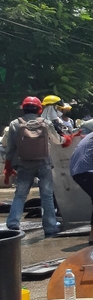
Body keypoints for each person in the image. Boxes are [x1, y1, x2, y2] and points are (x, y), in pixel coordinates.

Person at [3, 96, 67, 237]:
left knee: (20, 195)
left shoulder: (15, 124)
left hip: (23, 164)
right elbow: (57, 140)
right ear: (39, 109)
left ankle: (13, 223)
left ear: (23, 108)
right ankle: (50, 227)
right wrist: (66, 139)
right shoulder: (45, 122)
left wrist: (8, 165)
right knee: (47, 196)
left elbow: (10, 147)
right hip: (44, 164)